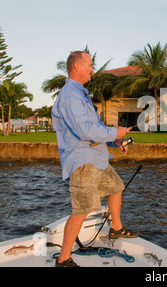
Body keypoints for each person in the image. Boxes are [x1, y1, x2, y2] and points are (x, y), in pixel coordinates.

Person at [51, 51, 138, 267]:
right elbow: (84, 130)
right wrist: (114, 132)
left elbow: (95, 129)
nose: (92, 69)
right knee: (81, 210)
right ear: (77, 66)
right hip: (83, 162)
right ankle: (63, 259)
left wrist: (113, 141)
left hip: (97, 158)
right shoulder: (70, 95)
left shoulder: (80, 95)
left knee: (116, 187)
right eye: (90, 65)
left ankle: (116, 227)